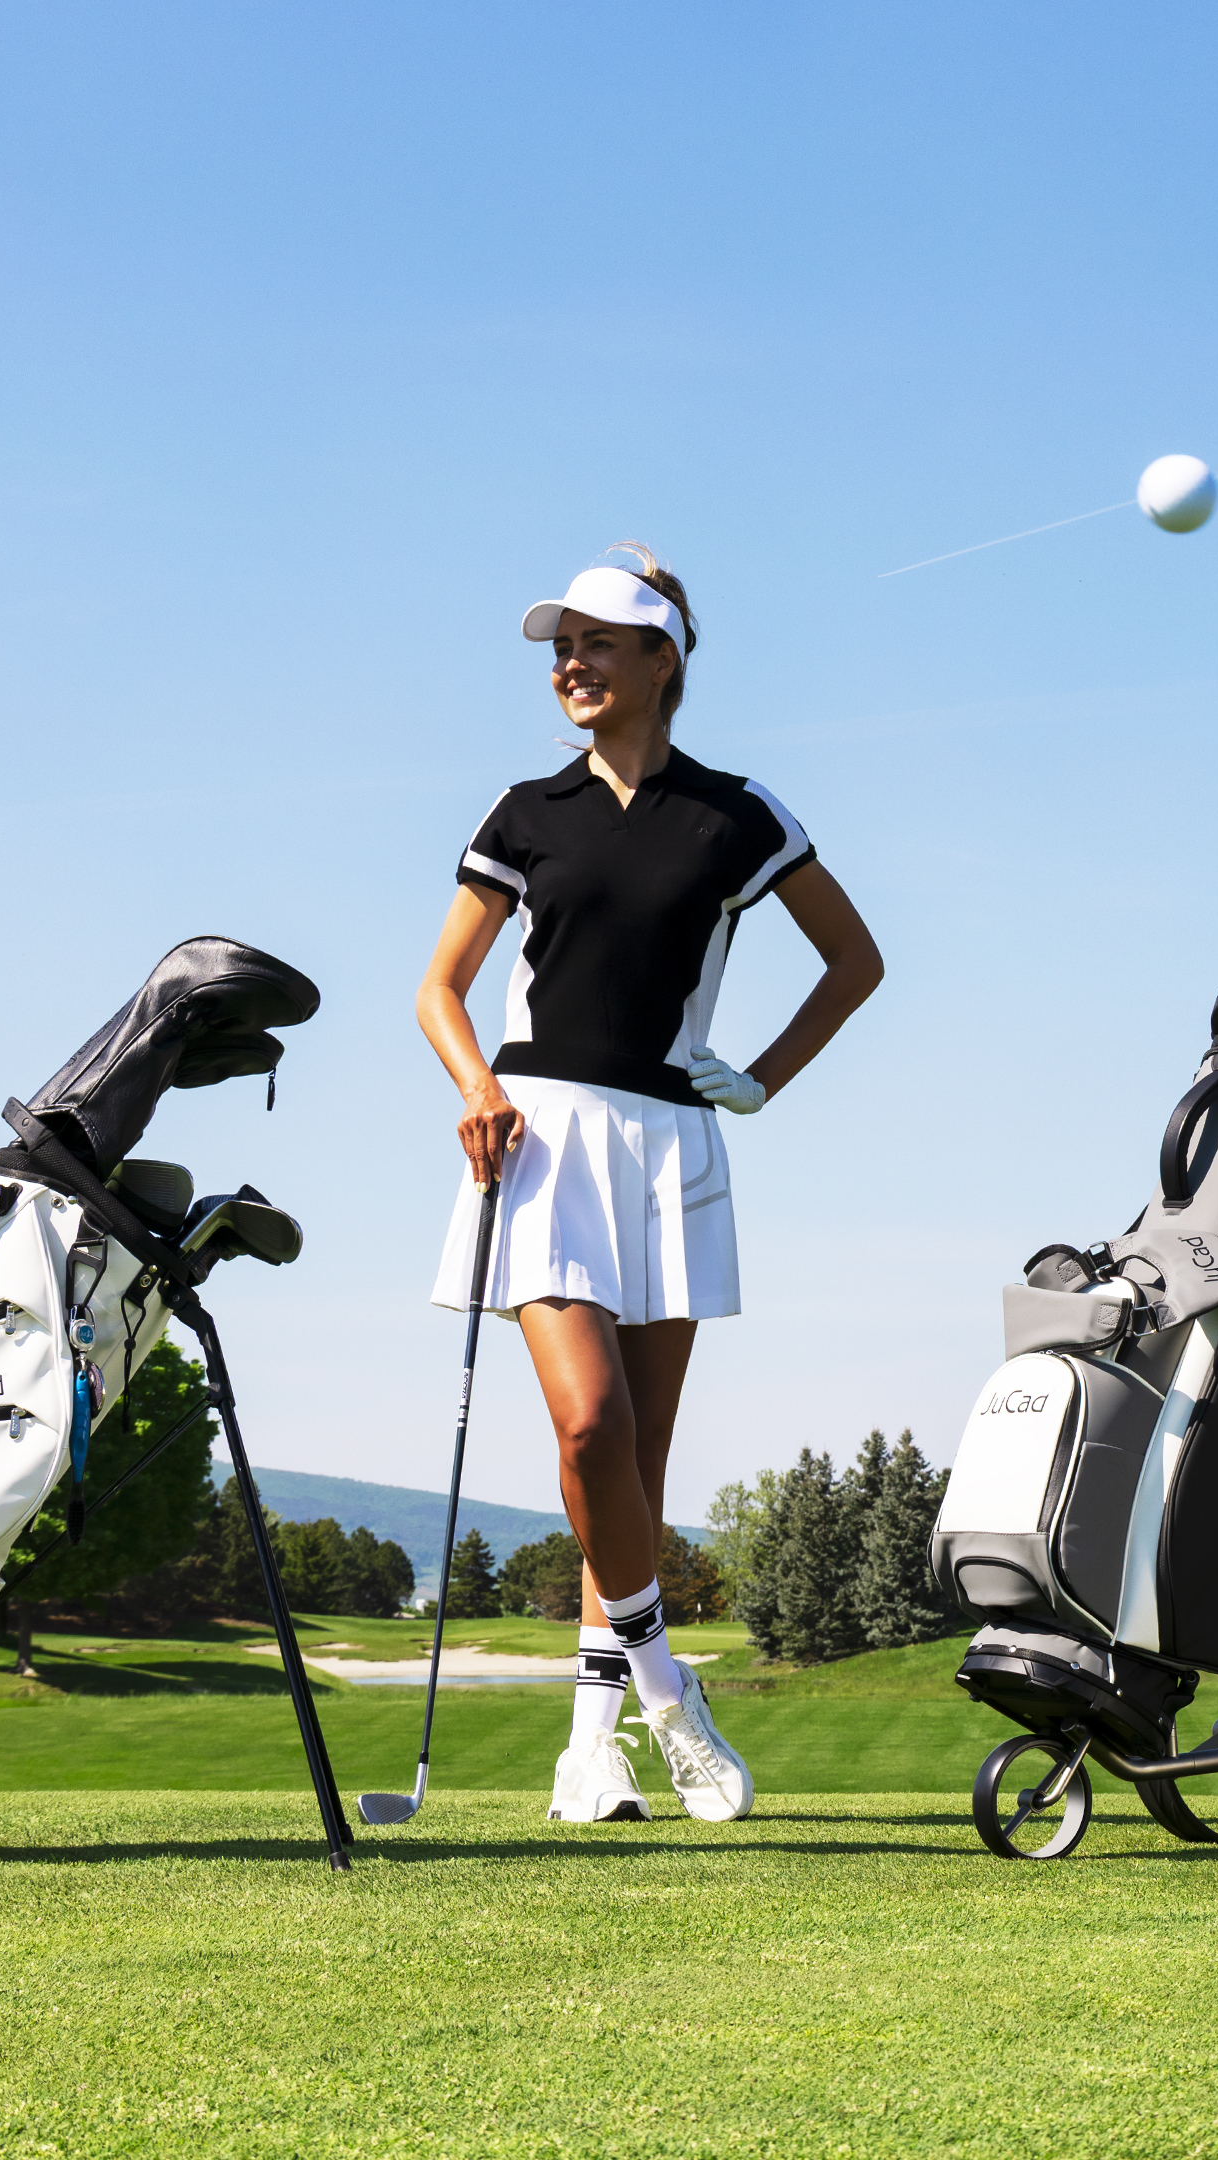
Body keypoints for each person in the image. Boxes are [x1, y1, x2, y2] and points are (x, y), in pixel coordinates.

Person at [418, 547, 884, 1825]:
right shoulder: (524, 812)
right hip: (540, 1136)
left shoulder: (740, 816)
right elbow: (438, 990)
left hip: (671, 1141)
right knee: (587, 1429)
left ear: (664, 658)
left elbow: (854, 962)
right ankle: (670, 1697)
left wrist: (761, 1078)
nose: (570, 664)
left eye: (598, 643)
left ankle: (587, 1751)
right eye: (560, 645)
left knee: (637, 1461)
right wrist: (476, 1085)